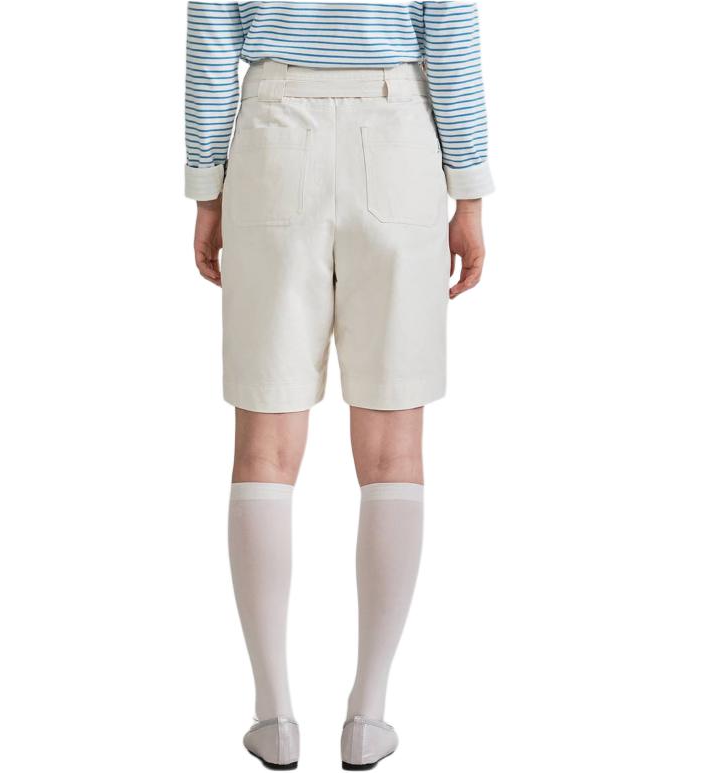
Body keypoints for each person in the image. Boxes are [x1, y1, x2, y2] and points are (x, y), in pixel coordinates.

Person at [185, 1, 494, 768]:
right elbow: (450, 34)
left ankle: (273, 713)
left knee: (264, 445)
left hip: (272, 132)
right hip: (396, 132)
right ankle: (368, 712)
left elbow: (211, 33)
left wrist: (207, 187)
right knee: (392, 447)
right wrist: (469, 191)